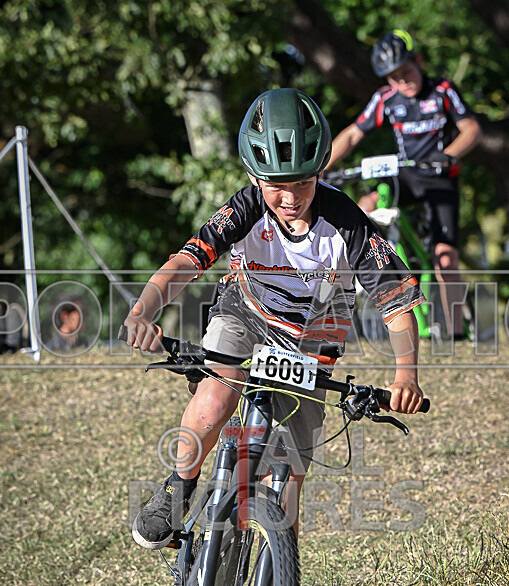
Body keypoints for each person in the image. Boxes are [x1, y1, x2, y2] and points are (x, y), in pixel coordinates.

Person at [123, 87, 425, 551]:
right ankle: (180, 486)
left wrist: (406, 374)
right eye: (275, 185)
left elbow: (397, 303)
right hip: (245, 314)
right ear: (253, 176)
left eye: (302, 183)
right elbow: (185, 263)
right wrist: (144, 309)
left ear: (321, 171)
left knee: (286, 480)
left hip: (313, 337)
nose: (289, 197)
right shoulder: (244, 207)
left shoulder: (346, 222)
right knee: (214, 402)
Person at [325, 29, 481, 340]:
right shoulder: (385, 99)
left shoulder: (443, 91)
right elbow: (353, 134)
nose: (403, 82)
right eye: (394, 78)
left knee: (445, 258)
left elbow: (472, 129)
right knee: (365, 204)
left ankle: (457, 334)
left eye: (406, 72)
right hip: (406, 176)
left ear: (419, 61)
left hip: (439, 179)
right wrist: (319, 168)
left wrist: (449, 155)